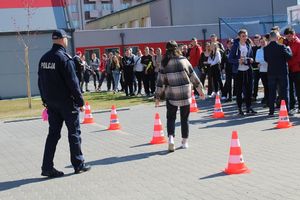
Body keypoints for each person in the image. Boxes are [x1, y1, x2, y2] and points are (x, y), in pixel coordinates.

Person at [38, 29, 91, 177]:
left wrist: (45, 101)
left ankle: (47, 167)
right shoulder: (64, 58)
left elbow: (40, 82)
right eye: (66, 38)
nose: (67, 40)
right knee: (74, 133)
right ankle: (78, 164)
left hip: (52, 104)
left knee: (53, 135)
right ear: (62, 39)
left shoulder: (44, 58)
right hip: (67, 103)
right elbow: (73, 83)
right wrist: (80, 102)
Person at [155, 40, 205, 152]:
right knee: (184, 118)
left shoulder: (164, 63)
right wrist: (200, 91)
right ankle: (184, 142)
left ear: (166, 50)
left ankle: (171, 138)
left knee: (171, 118)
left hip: (171, 93)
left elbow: (160, 82)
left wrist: (157, 97)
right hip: (185, 93)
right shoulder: (184, 60)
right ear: (177, 49)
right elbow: (193, 76)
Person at [264, 31, 292, 116]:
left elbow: (266, 59)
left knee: (272, 92)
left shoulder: (266, 48)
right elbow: (289, 56)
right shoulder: (282, 47)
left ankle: (271, 111)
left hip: (271, 72)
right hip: (282, 72)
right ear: (276, 37)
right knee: (284, 91)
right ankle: (286, 109)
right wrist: (289, 50)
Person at [229, 29, 257, 116]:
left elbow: (251, 56)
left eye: (246, 36)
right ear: (239, 37)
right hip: (238, 71)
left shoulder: (248, 45)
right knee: (239, 91)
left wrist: (251, 60)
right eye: (243, 36)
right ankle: (240, 108)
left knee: (249, 90)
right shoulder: (235, 46)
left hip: (247, 70)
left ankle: (249, 107)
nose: (245, 38)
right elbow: (230, 59)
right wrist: (238, 61)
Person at [284, 27, 300, 113]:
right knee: (290, 89)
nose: (288, 38)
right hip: (290, 69)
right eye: (287, 36)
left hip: (297, 69)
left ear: (294, 35)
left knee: (298, 89)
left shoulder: (297, 43)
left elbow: (295, 57)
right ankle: (292, 106)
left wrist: (288, 62)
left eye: (290, 36)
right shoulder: (287, 42)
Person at [255, 36, 269, 107]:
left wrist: (262, 61)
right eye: (261, 42)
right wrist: (263, 61)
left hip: (269, 70)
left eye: (264, 42)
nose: (263, 43)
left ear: (266, 42)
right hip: (262, 71)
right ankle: (267, 101)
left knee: (270, 87)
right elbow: (257, 60)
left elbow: (268, 60)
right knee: (265, 86)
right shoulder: (258, 51)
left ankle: (271, 101)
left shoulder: (269, 49)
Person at [251, 34, 261, 102]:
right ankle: (254, 96)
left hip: (262, 68)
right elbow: (251, 57)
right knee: (255, 83)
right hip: (255, 68)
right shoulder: (253, 48)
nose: (256, 42)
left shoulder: (262, 48)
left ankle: (266, 97)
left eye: (257, 40)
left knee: (265, 83)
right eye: (255, 40)